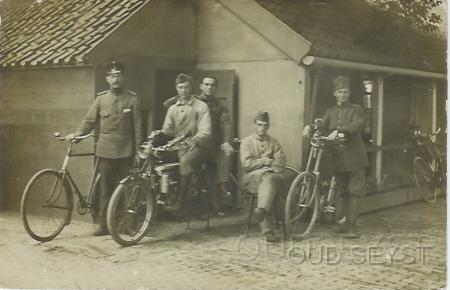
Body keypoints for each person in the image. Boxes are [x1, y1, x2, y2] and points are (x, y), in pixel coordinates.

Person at [68, 61, 143, 236]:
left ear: (123, 77)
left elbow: (139, 128)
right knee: (104, 190)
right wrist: (77, 135)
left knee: (126, 189)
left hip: (126, 151)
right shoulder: (101, 99)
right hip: (106, 151)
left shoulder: (133, 99)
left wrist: (139, 152)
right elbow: (89, 121)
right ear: (107, 78)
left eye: (118, 75)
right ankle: (103, 225)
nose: (115, 79)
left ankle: (126, 225)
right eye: (112, 75)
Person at [303, 75, 369, 239]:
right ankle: (341, 223)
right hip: (338, 158)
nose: (342, 95)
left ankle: (352, 227)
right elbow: (322, 123)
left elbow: (357, 125)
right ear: (335, 93)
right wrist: (309, 127)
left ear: (348, 93)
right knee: (341, 191)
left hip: (355, 158)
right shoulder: (331, 112)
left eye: (345, 92)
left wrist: (340, 131)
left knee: (354, 191)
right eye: (339, 92)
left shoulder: (356, 110)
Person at [161, 73, 212, 214]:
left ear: (191, 88)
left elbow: (206, 132)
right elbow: (167, 130)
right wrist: (159, 134)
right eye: (180, 87)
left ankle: (180, 203)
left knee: (185, 162)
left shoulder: (201, 106)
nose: (183, 91)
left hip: (199, 146)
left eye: (187, 87)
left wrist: (193, 140)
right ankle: (162, 197)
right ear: (176, 88)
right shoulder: (172, 108)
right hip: (178, 146)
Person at [240, 111, 287, 242]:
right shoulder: (246, 142)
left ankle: (262, 211)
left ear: (268, 126)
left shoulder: (274, 142)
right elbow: (246, 165)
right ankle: (268, 229)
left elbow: (281, 162)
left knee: (268, 181)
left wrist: (269, 168)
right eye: (259, 125)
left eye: (265, 125)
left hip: (271, 177)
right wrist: (264, 162)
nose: (262, 128)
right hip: (252, 179)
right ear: (254, 125)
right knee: (264, 183)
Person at [197, 76, 234, 213]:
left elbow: (225, 124)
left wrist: (226, 140)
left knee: (222, 162)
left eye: (212, 85)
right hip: (197, 143)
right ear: (201, 86)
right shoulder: (195, 102)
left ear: (215, 87)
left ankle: (219, 202)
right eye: (206, 84)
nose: (209, 87)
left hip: (214, 145)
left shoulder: (221, 106)